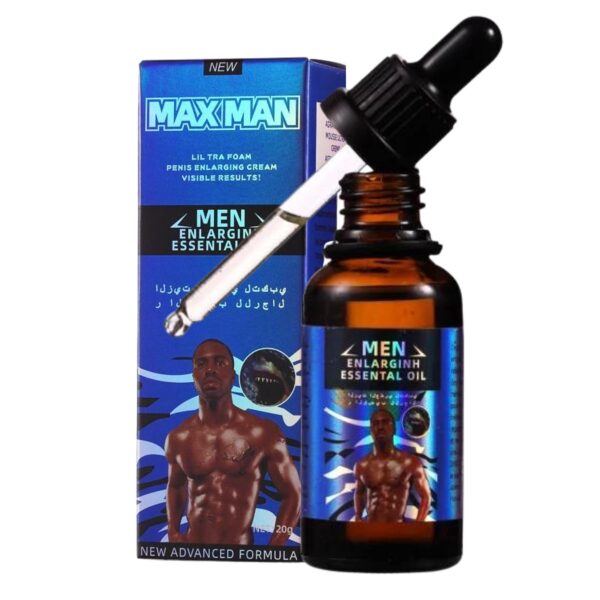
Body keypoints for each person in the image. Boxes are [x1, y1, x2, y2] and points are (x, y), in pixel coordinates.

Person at [165, 339, 301, 545]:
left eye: (220, 362)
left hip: (241, 550)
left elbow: (293, 494)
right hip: (193, 550)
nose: (210, 369)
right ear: (193, 376)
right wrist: (173, 531)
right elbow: (175, 487)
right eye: (201, 364)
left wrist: (275, 546)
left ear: (233, 375)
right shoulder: (178, 438)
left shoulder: (263, 433)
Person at [353, 408, 431, 522]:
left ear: (394, 428)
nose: (380, 427)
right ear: (371, 430)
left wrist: (418, 524)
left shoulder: (410, 462)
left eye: (385, 422)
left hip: (399, 527)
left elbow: (426, 496)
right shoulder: (362, 465)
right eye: (376, 423)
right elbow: (359, 493)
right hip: (371, 527)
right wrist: (358, 516)